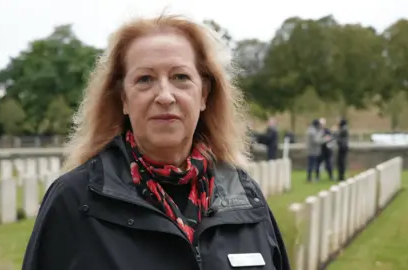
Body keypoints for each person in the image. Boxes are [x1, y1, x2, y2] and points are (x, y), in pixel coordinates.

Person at [22, 15, 290, 270]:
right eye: (145, 79)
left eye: (180, 77)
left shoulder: (245, 198)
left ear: (204, 94)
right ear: (123, 98)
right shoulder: (74, 200)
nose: (164, 96)